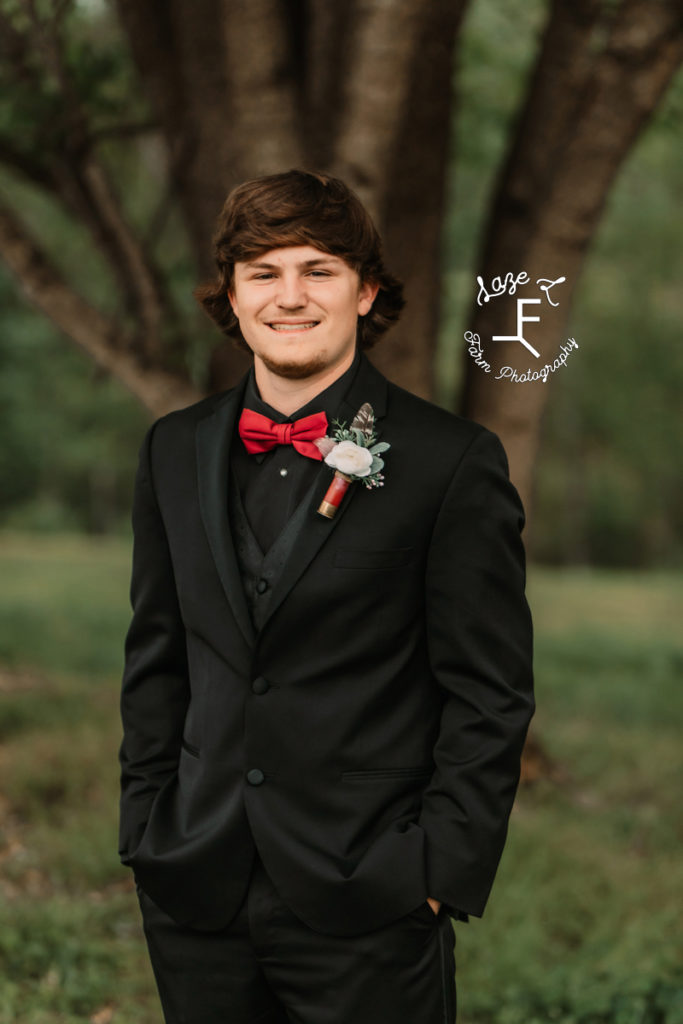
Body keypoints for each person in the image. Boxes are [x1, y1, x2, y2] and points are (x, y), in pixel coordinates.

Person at [118, 169, 534, 1024]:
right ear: (230, 296)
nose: (289, 296)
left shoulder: (450, 461)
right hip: (196, 890)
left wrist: (432, 873)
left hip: (372, 899)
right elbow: (157, 657)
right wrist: (146, 832)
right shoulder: (171, 449)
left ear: (365, 290)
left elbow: (487, 693)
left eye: (318, 270)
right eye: (263, 273)